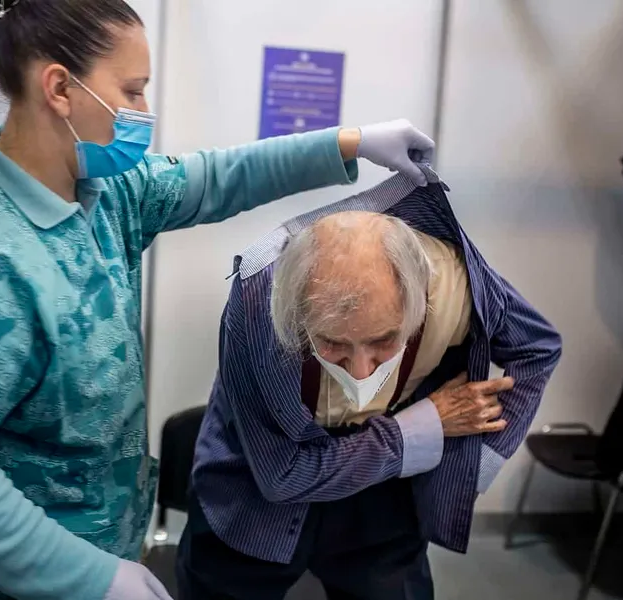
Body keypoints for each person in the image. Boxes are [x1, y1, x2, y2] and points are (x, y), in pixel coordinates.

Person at [0, 1, 438, 599]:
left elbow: (214, 178)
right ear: (59, 88)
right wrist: (92, 579)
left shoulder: (99, 193)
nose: (144, 112)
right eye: (133, 91)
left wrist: (350, 143)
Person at [177, 168, 563, 599]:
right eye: (334, 344)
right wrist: (419, 430)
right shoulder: (259, 309)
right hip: (255, 491)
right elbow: (282, 477)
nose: (361, 371)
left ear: (420, 300)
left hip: (381, 497)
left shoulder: (454, 285)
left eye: (383, 341)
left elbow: (538, 349)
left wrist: (473, 463)